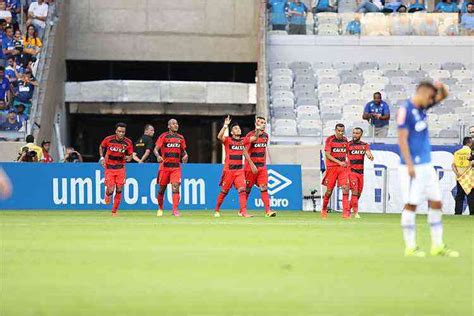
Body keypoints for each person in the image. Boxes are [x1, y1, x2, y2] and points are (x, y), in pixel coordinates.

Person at [397, 81, 459, 257]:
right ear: (423, 94)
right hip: (412, 166)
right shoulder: (406, 110)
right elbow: (402, 139)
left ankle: (437, 245)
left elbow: (443, 94)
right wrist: (409, 164)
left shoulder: (421, 108)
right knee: (411, 204)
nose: (432, 100)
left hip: (426, 166)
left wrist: (440, 86)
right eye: (430, 97)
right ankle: (410, 247)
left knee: (436, 202)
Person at [215, 116, 257, 218]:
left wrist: (258, 128)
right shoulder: (228, 140)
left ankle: (243, 212)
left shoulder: (243, 140)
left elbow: (255, 137)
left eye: (239, 128)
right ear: (232, 132)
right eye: (235, 128)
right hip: (229, 170)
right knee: (224, 191)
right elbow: (219, 137)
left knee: (242, 190)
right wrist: (225, 125)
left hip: (239, 171)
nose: (238, 129)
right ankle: (216, 209)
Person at [244, 116, 277, 218]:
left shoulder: (266, 136)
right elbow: (244, 151)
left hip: (262, 167)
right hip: (251, 167)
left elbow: (263, 151)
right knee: (247, 189)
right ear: (256, 123)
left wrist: (264, 163)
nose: (263, 124)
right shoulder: (250, 135)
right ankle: (242, 210)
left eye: (264, 122)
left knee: (264, 187)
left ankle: (268, 211)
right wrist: (251, 164)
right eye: (260, 122)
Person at [154, 119, 188, 217]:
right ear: (168, 126)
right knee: (161, 190)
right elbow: (155, 149)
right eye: (173, 124)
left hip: (176, 168)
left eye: (176, 123)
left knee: (175, 187)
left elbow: (183, 151)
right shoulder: (163, 136)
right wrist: (158, 156)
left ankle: (175, 210)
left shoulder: (180, 138)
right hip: (165, 167)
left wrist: (185, 155)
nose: (176, 125)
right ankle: (160, 208)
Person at [99, 123, 133, 216]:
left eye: (123, 132)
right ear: (116, 131)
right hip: (109, 168)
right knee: (111, 189)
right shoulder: (108, 139)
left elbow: (130, 155)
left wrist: (129, 158)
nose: (121, 133)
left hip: (120, 168)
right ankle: (107, 193)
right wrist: (102, 158)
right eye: (119, 131)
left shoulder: (128, 142)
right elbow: (101, 147)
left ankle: (114, 211)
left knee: (119, 189)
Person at [321, 123, 350, 219]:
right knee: (329, 191)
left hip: (342, 168)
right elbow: (327, 155)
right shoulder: (330, 140)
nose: (341, 133)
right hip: (332, 167)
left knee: (345, 187)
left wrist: (347, 162)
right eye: (339, 131)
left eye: (342, 131)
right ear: (335, 130)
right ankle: (324, 209)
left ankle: (346, 213)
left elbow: (348, 153)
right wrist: (339, 162)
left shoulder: (345, 140)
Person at [347, 127, 374, 219]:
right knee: (354, 192)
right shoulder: (348, 145)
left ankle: (347, 210)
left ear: (361, 135)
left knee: (358, 193)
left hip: (361, 173)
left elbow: (368, 152)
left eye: (357, 133)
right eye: (354, 133)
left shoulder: (364, 145)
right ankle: (355, 213)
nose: (355, 135)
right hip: (351, 172)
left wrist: (369, 155)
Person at [452, 137, 473, 215]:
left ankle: (457, 213)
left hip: (459, 178)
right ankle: (472, 213)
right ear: (469, 143)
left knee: (459, 196)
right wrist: (465, 173)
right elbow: (471, 164)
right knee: (470, 196)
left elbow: (453, 165)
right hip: (469, 178)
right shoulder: (471, 152)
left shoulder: (457, 152)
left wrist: (457, 174)